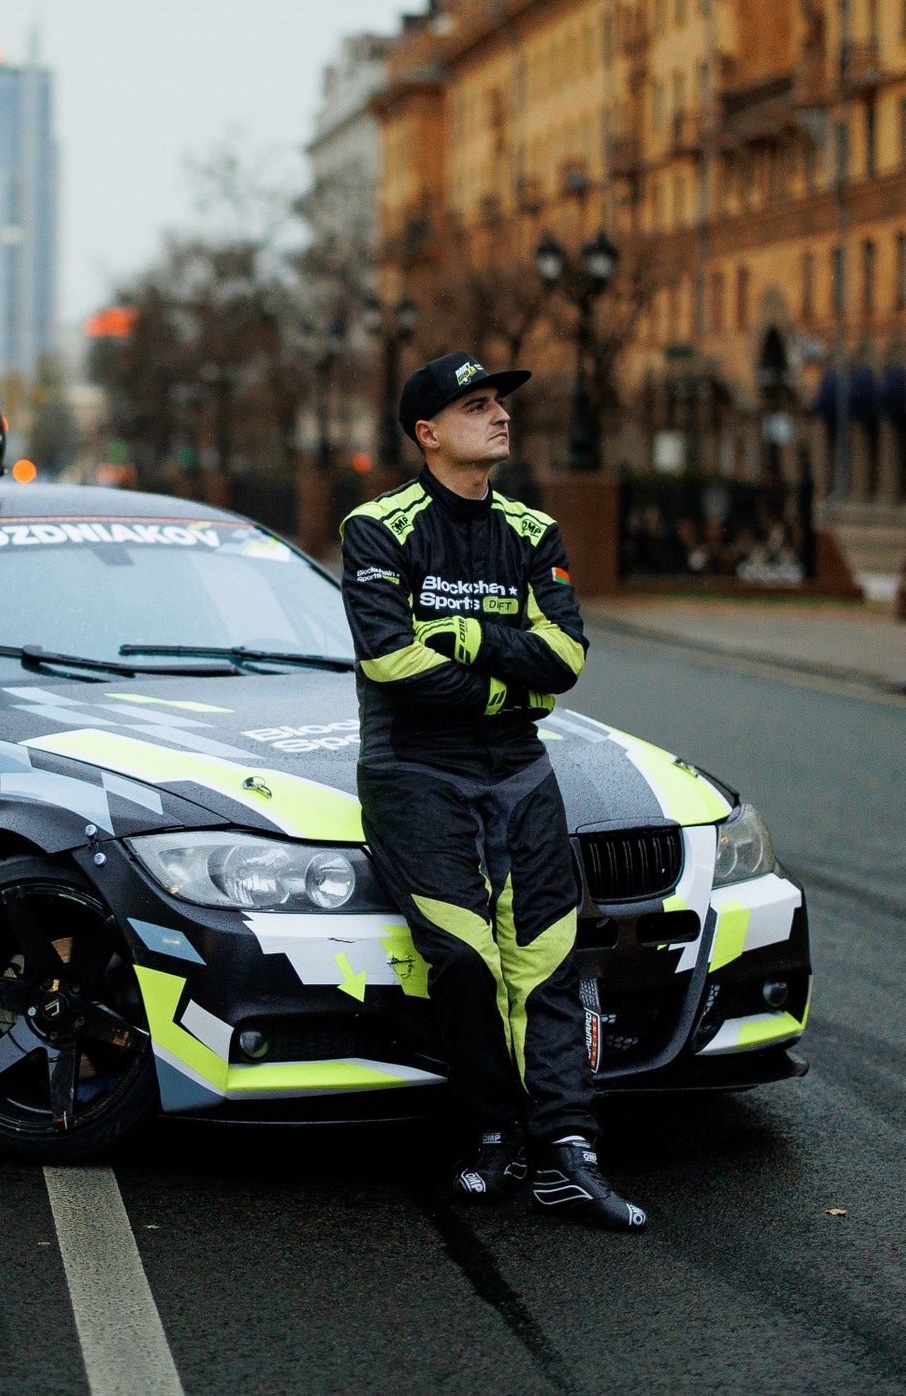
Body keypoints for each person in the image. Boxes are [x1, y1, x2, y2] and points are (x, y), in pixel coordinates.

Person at [338, 351, 646, 1231]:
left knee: (545, 963)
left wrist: (464, 632)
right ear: (428, 433)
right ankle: (493, 1133)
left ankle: (568, 1153)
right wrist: (514, 669)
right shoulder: (378, 528)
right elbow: (392, 662)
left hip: (518, 770)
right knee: (469, 960)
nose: (500, 416)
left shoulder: (532, 531)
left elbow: (568, 659)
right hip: (413, 772)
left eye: (500, 403)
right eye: (477, 406)